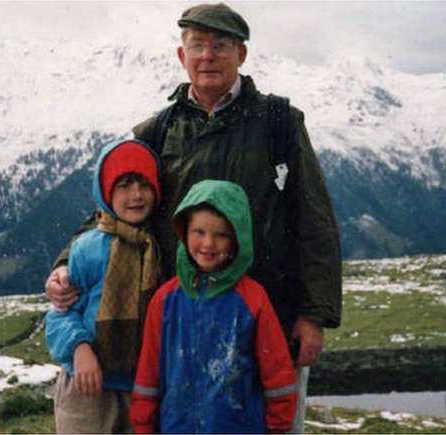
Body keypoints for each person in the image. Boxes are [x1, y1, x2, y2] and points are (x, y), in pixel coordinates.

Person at [45, 3, 342, 431]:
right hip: (183, 325)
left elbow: (315, 220)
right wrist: (62, 268)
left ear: (241, 54)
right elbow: (114, 211)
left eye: (220, 45)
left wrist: (313, 316)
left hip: (269, 319)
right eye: (197, 45)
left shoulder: (278, 123)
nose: (208, 56)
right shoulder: (158, 131)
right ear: (181, 56)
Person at [131, 179, 297, 433]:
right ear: (184, 232)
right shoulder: (165, 300)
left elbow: (277, 373)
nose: (208, 244)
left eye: (221, 235)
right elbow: (148, 375)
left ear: (236, 240)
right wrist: (143, 426)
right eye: (199, 232)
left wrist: (277, 426)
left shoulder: (253, 300)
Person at [45, 139, 162, 433]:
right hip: (86, 386)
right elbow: (59, 314)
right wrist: (79, 348)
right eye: (123, 185)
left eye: (144, 184)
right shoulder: (87, 249)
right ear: (106, 191)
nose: (136, 195)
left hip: (144, 389)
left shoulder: (160, 248)